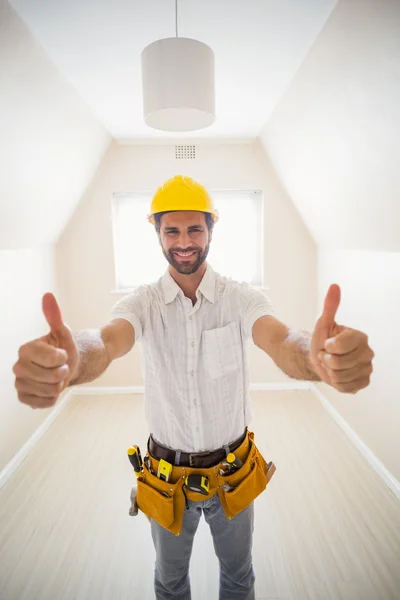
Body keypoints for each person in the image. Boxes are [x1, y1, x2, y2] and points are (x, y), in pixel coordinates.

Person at [13, 175, 374, 600]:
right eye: (172, 231)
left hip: (232, 477)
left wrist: (315, 360)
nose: (184, 242)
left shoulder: (241, 299)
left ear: (211, 230)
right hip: (167, 480)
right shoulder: (141, 303)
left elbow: (281, 341)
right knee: (169, 582)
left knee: (239, 578)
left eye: (194, 229)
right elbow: (106, 341)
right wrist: (73, 361)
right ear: (157, 233)